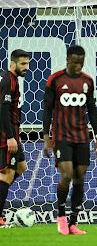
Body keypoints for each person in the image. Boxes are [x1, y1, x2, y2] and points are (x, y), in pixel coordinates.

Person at [43, 45, 97, 235]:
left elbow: (92, 110)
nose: (78, 66)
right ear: (67, 60)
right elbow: (47, 109)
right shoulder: (56, 80)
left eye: (81, 63)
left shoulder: (88, 82)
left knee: (79, 178)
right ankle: (61, 217)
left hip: (82, 137)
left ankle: (73, 223)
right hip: (61, 137)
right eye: (75, 62)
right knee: (66, 175)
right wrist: (46, 138)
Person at [0, 49, 30, 228]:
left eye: (27, 63)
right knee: (6, 176)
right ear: (12, 64)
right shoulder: (8, 81)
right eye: (22, 64)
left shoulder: (11, 80)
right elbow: (2, 110)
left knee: (21, 166)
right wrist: (10, 138)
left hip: (13, 134)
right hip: (6, 135)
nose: (26, 67)